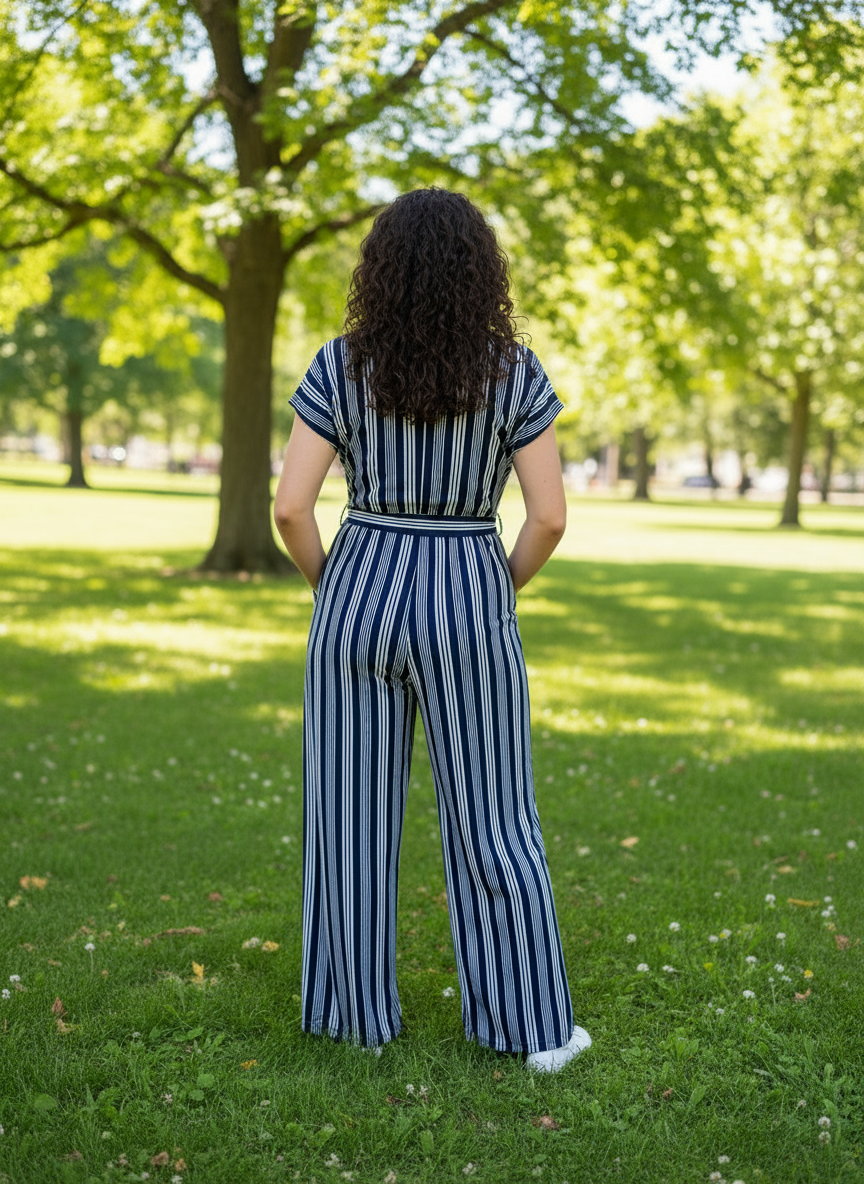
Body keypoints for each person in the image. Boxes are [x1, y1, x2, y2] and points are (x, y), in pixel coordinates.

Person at [273, 188, 591, 1073]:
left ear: (378, 271)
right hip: (468, 587)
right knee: (495, 819)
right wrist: (494, 589)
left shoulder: (338, 366)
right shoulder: (514, 374)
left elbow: (292, 508)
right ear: (481, 273)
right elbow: (550, 517)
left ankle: (352, 1024)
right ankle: (531, 1030)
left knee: (349, 819)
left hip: (359, 583)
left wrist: (337, 587)